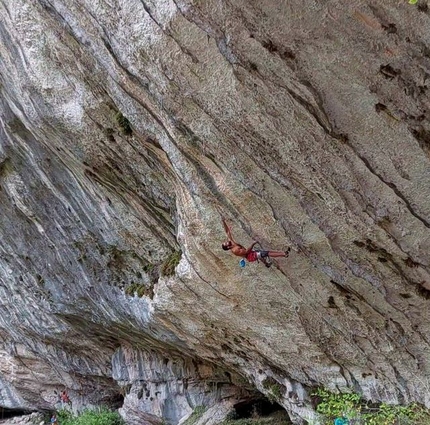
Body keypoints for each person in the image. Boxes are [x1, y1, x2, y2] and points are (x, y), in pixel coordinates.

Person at [221, 218, 290, 265]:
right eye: (226, 243)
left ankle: (266, 264)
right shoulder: (235, 250)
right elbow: (246, 252)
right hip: (251, 256)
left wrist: (223, 221)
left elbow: (227, 232)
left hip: (252, 253)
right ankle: (284, 254)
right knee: (267, 253)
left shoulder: (232, 243)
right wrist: (253, 244)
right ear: (228, 247)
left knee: (262, 253)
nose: (227, 241)